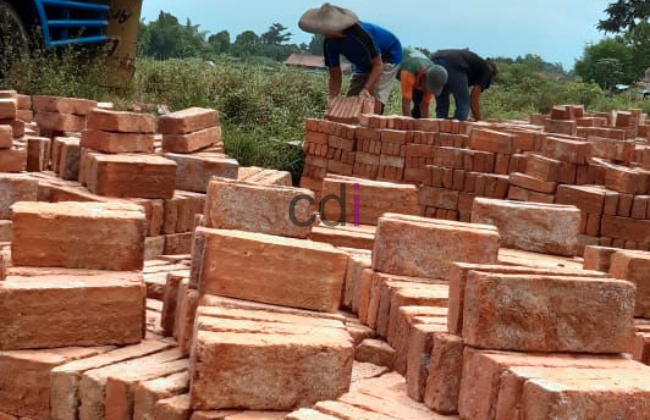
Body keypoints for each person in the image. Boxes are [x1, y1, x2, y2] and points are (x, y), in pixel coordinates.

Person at [298, 3, 402, 115]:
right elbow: (335, 74)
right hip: (362, 63)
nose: (322, 32)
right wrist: (332, 99)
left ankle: (372, 124)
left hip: (388, 57)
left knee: (373, 97)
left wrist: (366, 89)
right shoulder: (329, 43)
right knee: (351, 100)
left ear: (335, 26)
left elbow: (378, 65)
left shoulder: (360, 34)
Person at [429, 48, 497, 121]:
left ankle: (440, 124)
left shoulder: (474, 66)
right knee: (463, 103)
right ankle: (458, 125)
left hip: (434, 60)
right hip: (452, 62)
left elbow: (451, 86)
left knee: (442, 102)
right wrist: (479, 121)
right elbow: (473, 98)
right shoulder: (486, 70)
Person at [397, 47, 448, 119]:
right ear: (424, 78)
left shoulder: (433, 76)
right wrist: (409, 128)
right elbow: (406, 103)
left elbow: (424, 106)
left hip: (417, 72)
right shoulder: (409, 71)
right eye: (426, 87)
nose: (427, 91)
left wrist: (426, 127)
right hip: (393, 58)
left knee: (418, 106)